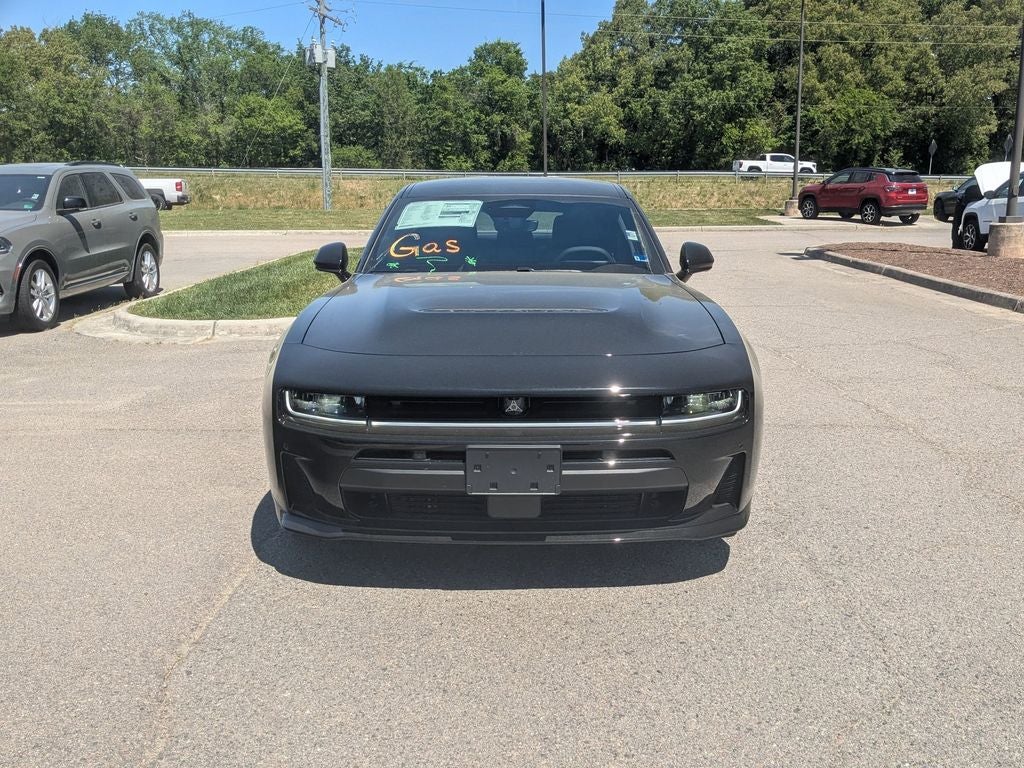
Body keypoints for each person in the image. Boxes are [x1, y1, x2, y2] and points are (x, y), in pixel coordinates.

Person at [951, 178, 983, 248]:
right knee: (957, 225)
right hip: (965, 206)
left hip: (963, 206)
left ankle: (956, 244)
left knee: (956, 225)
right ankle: (957, 243)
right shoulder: (983, 191)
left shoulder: (970, 189)